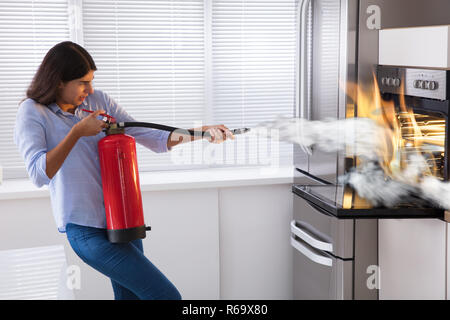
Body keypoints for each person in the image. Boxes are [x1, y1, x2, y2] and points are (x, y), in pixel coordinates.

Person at [14, 41, 234, 300]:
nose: (90, 89)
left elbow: (151, 137)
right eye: (83, 82)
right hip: (85, 230)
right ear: (60, 80)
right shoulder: (33, 112)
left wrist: (201, 132)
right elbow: (39, 174)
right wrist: (76, 132)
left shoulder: (98, 101)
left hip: (123, 221)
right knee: (165, 295)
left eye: (92, 80)